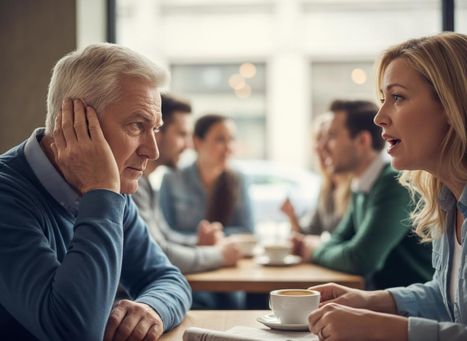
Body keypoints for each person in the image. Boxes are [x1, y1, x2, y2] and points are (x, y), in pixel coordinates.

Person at [0, 43, 191, 340]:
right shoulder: (9, 197)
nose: (152, 151)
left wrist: (153, 308)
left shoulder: (115, 194)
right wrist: (101, 191)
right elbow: (74, 332)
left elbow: (168, 277)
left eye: (154, 128)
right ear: (77, 123)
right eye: (137, 125)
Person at [307, 32, 467, 341]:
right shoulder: (447, 201)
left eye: (398, 97)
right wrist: (369, 300)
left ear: (452, 104)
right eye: (383, 100)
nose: (380, 118)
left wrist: (384, 327)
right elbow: (447, 299)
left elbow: (360, 257)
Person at [293, 99, 433, 289]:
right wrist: (321, 248)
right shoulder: (362, 183)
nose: (322, 146)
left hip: (409, 308)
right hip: (379, 299)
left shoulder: (393, 183)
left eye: (332, 136)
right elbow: (340, 238)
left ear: (362, 141)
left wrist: (315, 250)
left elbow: (360, 259)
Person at [132, 93, 242, 274]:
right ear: (157, 133)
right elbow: (160, 253)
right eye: (182, 135)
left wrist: (198, 242)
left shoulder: (146, 182)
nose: (189, 146)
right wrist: (219, 255)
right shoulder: (133, 187)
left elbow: (164, 236)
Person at [159, 114, 254, 237]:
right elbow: (165, 233)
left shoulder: (239, 179)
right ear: (197, 142)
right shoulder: (172, 180)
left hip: (226, 255)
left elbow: (248, 230)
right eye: (220, 140)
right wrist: (200, 239)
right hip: (185, 254)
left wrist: (214, 236)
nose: (229, 148)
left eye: (231, 139)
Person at [281, 112, 352, 235]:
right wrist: (292, 216)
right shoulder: (326, 187)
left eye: (327, 138)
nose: (319, 147)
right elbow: (312, 231)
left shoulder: (355, 186)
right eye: (317, 139)